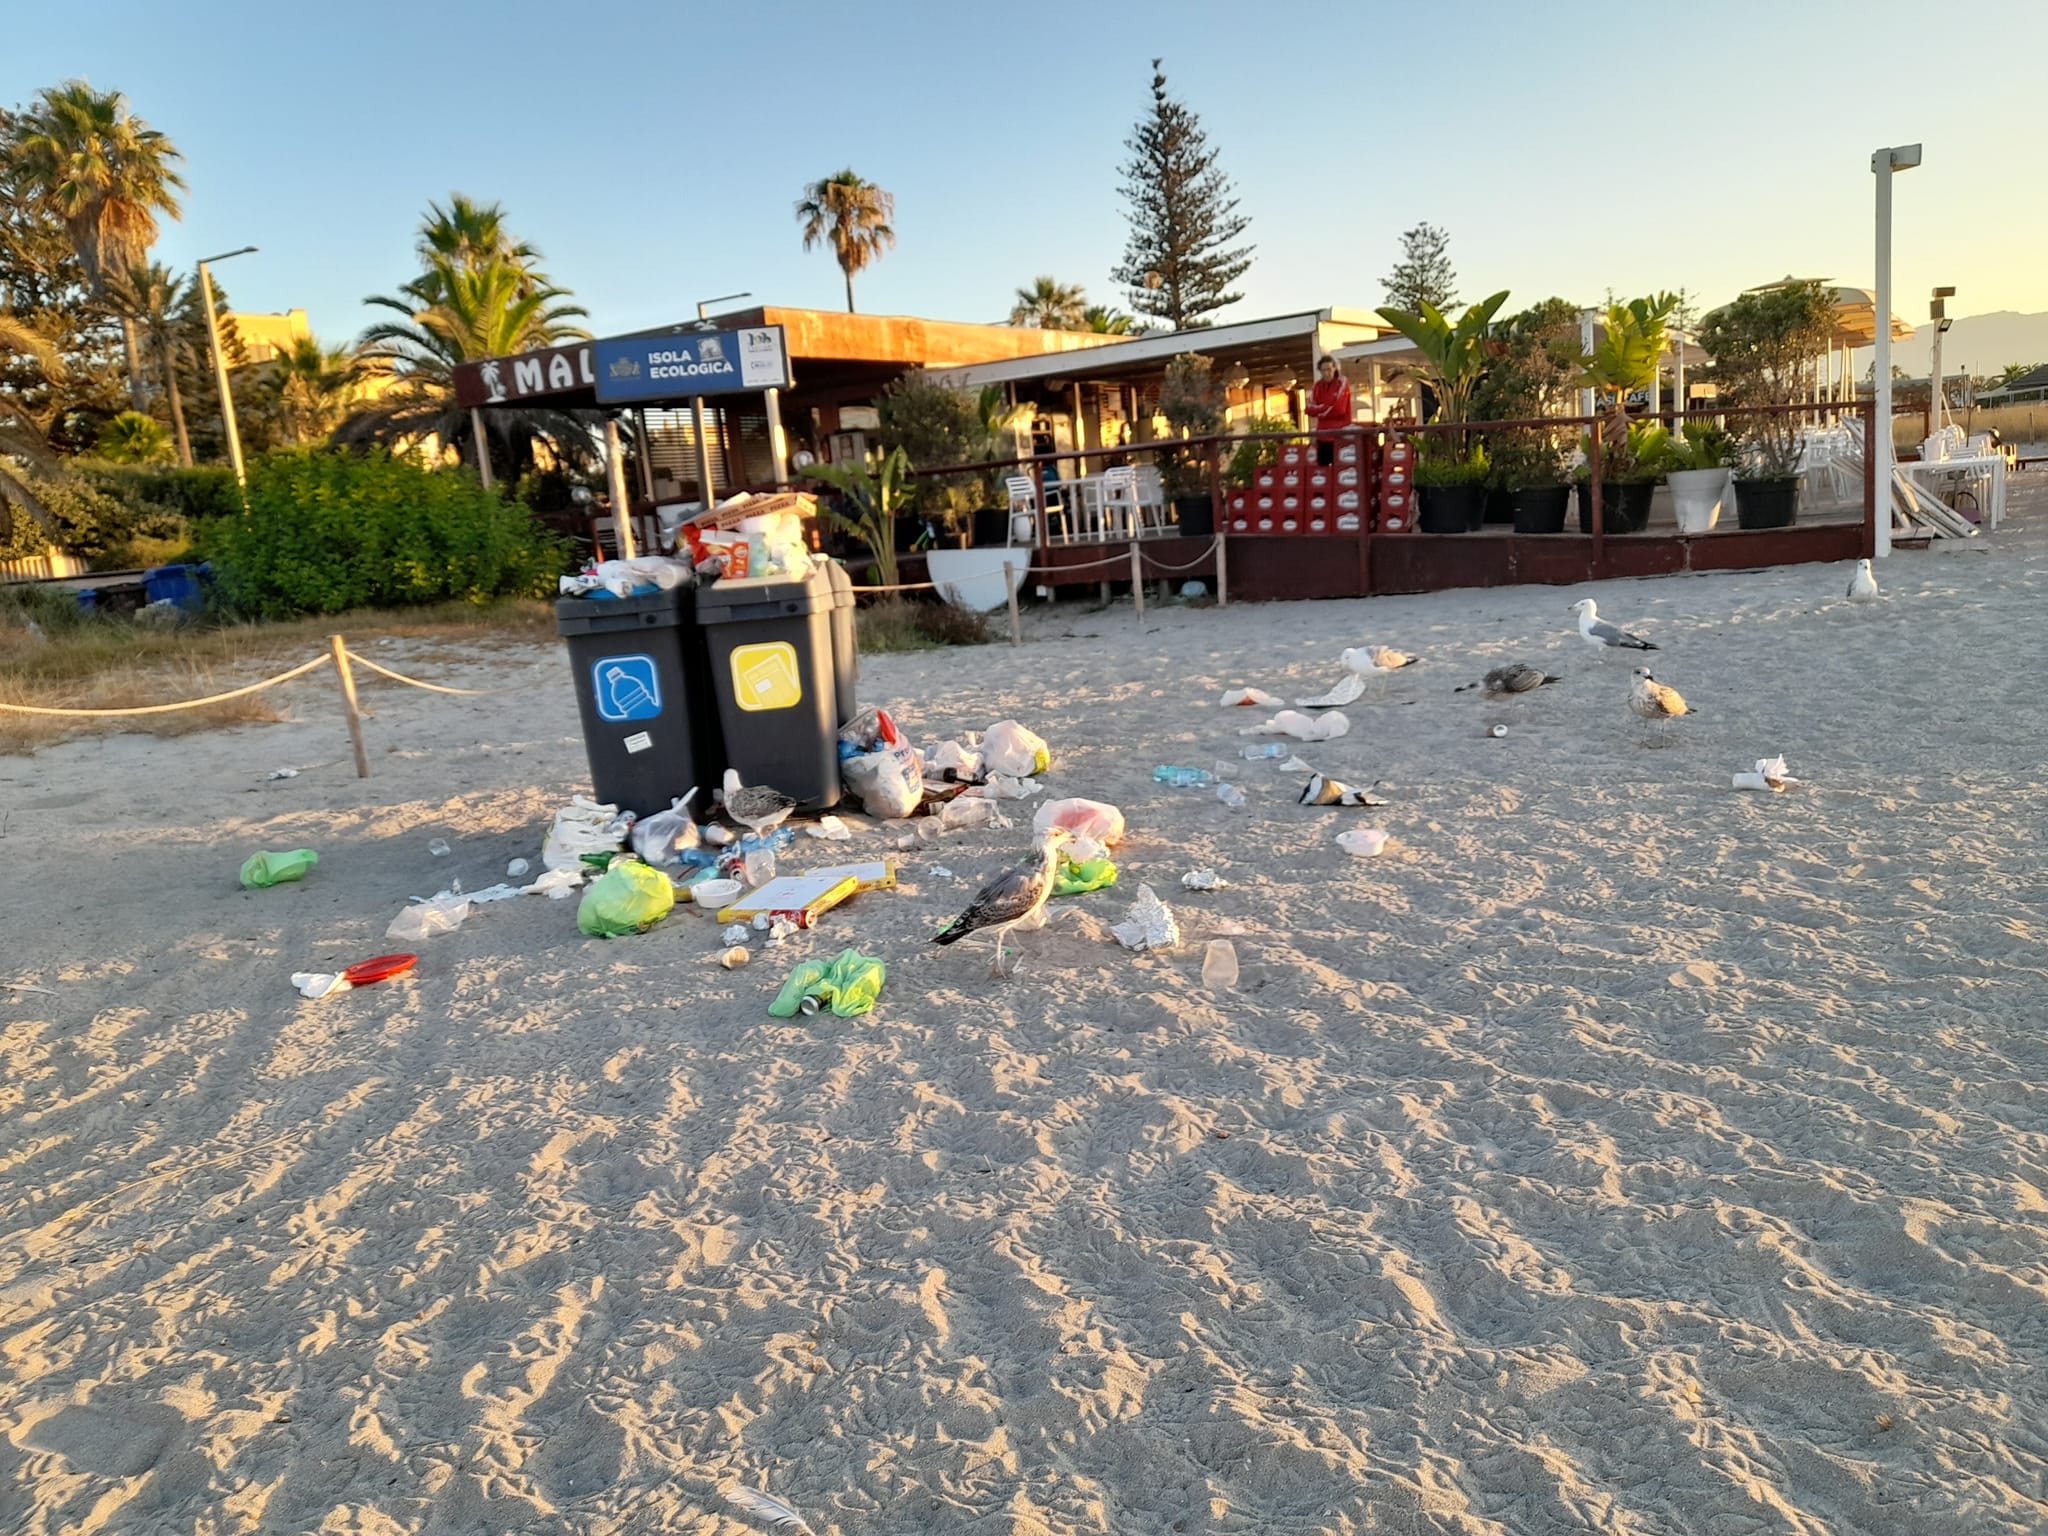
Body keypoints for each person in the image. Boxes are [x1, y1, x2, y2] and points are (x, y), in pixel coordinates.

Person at [1305, 355, 1353, 464]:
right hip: (1322, 437)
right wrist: (1328, 407)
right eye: (1323, 370)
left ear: (1335, 368)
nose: (1326, 373)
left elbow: (1340, 409)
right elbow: (1309, 409)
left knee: (1340, 471)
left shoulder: (1342, 382)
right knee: (1323, 473)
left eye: (1329, 369)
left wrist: (1320, 410)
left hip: (1340, 436)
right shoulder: (1317, 386)